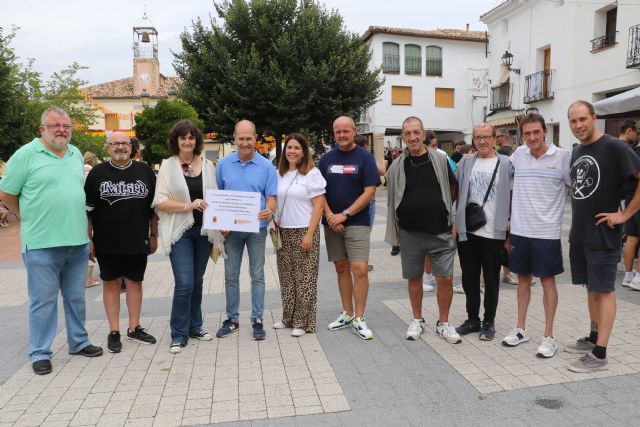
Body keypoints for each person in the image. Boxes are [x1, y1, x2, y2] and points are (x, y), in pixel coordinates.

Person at [0, 107, 103, 375]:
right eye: (55, 125)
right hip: (41, 244)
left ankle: (79, 342)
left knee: (76, 298)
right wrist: (24, 215)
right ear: (42, 129)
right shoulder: (25, 155)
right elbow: (7, 194)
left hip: (76, 241)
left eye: (66, 126)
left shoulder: (75, 153)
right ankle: (40, 352)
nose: (62, 130)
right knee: (43, 301)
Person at [565, 101, 640, 372]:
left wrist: (623, 215)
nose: (579, 125)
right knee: (591, 288)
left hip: (604, 234)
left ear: (594, 118)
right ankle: (593, 337)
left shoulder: (614, 147)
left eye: (583, 119)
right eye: (573, 121)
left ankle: (600, 354)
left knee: (605, 290)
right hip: (582, 232)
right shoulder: (577, 151)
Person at [500, 113, 571, 358]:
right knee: (523, 280)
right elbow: (504, 185)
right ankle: (520, 329)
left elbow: (578, 190)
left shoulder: (562, 157)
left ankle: (549, 336)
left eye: (536, 132)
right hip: (520, 231)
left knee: (548, 282)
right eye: (527, 133)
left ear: (545, 132)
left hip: (547, 233)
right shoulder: (517, 155)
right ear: (522, 135)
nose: (532, 137)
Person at [153, 120, 226, 353]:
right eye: (183, 138)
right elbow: (160, 202)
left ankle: (196, 326)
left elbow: (215, 198)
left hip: (204, 231)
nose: (187, 142)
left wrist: (223, 223)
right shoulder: (167, 166)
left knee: (197, 281)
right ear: (176, 141)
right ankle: (179, 333)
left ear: (197, 140)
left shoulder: (208, 165)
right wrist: (188, 205)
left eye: (191, 137)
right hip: (180, 231)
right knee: (184, 283)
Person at [385, 116, 460, 342]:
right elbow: (392, 197)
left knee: (445, 278)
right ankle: (417, 319)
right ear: (403, 137)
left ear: (424, 134)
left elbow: (453, 187)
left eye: (416, 132)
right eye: (408, 133)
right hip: (409, 232)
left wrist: (448, 213)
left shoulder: (439, 159)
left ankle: (443, 323)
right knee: (414, 278)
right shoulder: (397, 165)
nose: (412, 137)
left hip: (441, 230)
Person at [85, 131, 159, 353]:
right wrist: (88, 239)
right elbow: (87, 211)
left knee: (135, 283)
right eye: (115, 143)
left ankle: (134, 327)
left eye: (124, 143)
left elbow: (154, 209)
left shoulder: (145, 172)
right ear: (107, 148)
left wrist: (154, 234)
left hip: (137, 238)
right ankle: (114, 331)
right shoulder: (97, 173)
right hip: (107, 241)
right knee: (112, 283)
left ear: (132, 147)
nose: (120, 147)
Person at [215, 120, 278, 341]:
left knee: (257, 275)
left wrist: (269, 211)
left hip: (257, 229)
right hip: (230, 232)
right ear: (234, 138)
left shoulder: (267, 167)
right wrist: (220, 222)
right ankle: (232, 319)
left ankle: (257, 319)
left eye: (248, 138)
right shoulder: (222, 164)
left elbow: (271, 199)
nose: (244, 142)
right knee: (230, 275)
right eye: (240, 138)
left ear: (255, 138)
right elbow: (218, 198)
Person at [319, 116, 381, 340]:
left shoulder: (365, 157)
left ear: (354, 132)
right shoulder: (326, 159)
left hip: (356, 222)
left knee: (360, 270)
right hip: (332, 224)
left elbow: (370, 192)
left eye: (346, 131)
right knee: (341, 269)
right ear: (333, 134)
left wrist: (344, 215)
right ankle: (347, 313)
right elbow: (319, 192)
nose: (342, 135)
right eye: (338, 131)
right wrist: (329, 216)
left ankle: (359, 317)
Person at [455, 123, 513, 341]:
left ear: (494, 138)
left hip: (493, 231)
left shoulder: (506, 163)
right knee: (469, 277)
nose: (482, 141)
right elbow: (457, 192)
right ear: (473, 139)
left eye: (486, 137)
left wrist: (510, 223)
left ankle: (489, 321)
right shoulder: (466, 162)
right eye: (478, 137)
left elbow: (514, 192)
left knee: (491, 278)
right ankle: (472, 319)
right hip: (469, 230)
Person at [273, 133, 326, 337]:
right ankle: (288, 317)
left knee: (305, 279)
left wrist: (310, 234)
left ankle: (303, 322)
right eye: (289, 147)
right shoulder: (278, 173)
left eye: (296, 148)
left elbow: (319, 205)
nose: (292, 151)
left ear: (304, 152)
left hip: (305, 230)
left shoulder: (312, 174)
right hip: (283, 231)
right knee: (287, 278)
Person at [354, 135, 386, 272]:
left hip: (354, 201)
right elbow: (382, 172)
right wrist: (384, 162)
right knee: (365, 234)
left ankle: (354, 262)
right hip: (368, 202)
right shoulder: (367, 157)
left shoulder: (351, 157)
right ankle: (362, 263)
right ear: (365, 146)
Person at [619, 120, 640, 288]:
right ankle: (638, 278)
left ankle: (628, 276)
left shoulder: (632, 151)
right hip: (638, 199)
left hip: (629, 198)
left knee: (631, 238)